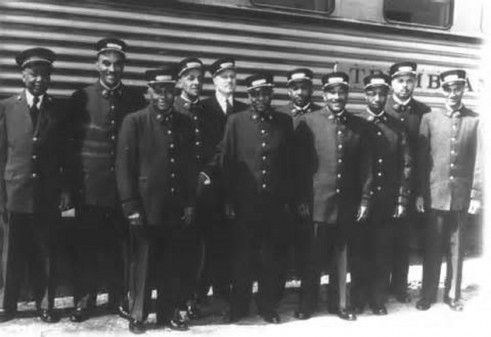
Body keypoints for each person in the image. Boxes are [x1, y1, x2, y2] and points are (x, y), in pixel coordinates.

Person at [69, 37, 146, 322]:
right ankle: (85, 299)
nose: (112, 69)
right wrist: (70, 188)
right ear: (96, 64)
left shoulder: (136, 99)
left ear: (124, 66)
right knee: (87, 245)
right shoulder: (81, 98)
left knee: (121, 246)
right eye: (106, 63)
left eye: (117, 64)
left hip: (123, 190)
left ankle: (118, 299)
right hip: (90, 187)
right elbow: (71, 145)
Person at [116, 66, 197, 333]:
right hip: (145, 207)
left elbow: (187, 166)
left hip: (173, 206)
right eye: (158, 90)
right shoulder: (135, 121)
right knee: (143, 263)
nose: (163, 96)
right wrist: (131, 206)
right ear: (148, 92)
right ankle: (138, 314)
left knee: (172, 261)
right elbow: (124, 167)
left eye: (169, 91)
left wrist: (188, 202)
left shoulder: (184, 122)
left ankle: (169, 312)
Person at [0, 48, 71, 323]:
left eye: (45, 74)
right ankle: (8, 306)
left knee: (45, 251)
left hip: (46, 194)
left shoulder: (58, 109)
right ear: (23, 75)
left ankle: (45, 304)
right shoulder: (7, 107)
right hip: (14, 193)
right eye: (34, 73)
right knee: (11, 253)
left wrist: (65, 190)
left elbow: (65, 155)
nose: (40, 79)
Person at [293, 72, 371, 321]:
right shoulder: (309, 121)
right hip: (318, 202)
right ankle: (307, 304)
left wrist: (365, 199)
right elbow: (300, 166)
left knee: (342, 257)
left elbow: (365, 167)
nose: (337, 97)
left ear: (347, 94)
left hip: (346, 204)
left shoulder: (359, 126)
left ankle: (340, 304)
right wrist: (302, 200)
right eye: (332, 92)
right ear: (324, 94)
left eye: (342, 92)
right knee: (312, 256)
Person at [220, 72, 294, 324]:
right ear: (249, 96)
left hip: (273, 205)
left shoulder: (284, 122)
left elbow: (287, 165)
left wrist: (285, 200)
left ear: (271, 95)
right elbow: (227, 162)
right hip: (244, 204)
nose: (261, 98)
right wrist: (229, 200)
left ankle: (267, 306)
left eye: (266, 93)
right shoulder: (236, 122)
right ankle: (238, 306)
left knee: (270, 258)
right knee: (241, 257)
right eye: (256, 94)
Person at [415, 69, 481, 312]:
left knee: (457, 247)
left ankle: (453, 294)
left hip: (461, 196)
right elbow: (423, 161)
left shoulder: (474, 120)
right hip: (435, 194)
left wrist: (475, 193)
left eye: (458, 88)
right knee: (432, 246)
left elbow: (480, 160)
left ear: (464, 89)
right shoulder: (430, 118)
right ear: (442, 89)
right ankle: (428, 294)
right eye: (448, 88)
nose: (453, 94)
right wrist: (421, 193)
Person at [356, 73, 412, 315]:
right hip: (360, 202)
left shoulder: (397, 127)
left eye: (381, 94)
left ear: (386, 95)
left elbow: (406, 166)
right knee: (359, 251)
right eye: (372, 93)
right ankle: (358, 298)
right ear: (365, 95)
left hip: (386, 202)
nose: (377, 98)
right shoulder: (356, 123)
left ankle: (378, 299)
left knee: (382, 252)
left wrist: (401, 199)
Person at [198, 57, 248, 304]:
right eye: (224, 77)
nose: (229, 81)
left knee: (231, 242)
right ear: (214, 80)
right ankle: (198, 294)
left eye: (233, 76)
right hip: (210, 188)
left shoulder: (243, 110)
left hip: (235, 189)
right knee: (207, 243)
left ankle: (223, 291)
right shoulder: (202, 108)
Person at [385, 62, 431, 303]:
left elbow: (424, 155)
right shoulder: (382, 108)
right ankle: (380, 285)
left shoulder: (423, 112)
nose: (405, 86)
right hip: (384, 186)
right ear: (392, 83)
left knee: (404, 239)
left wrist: (421, 191)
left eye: (410, 80)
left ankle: (400, 288)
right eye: (400, 81)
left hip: (410, 188)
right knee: (383, 238)